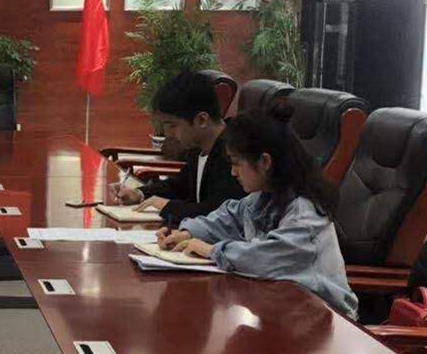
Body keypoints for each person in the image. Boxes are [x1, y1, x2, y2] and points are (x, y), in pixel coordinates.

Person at [156, 108, 358, 319]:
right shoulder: (264, 197)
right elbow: (228, 217)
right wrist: (187, 233)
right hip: (282, 309)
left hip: (327, 319)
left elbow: (266, 257)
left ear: (265, 162)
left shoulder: (304, 213)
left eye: (236, 163)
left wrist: (211, 250)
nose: (233, 172)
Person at [109, 70, 244, 224]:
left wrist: (168, 206)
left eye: (172, 125)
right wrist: (139, 193)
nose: (168, 134)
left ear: (202, 120)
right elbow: (179, 186)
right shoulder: (198, 148)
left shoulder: (234, 153)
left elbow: (218, 212)